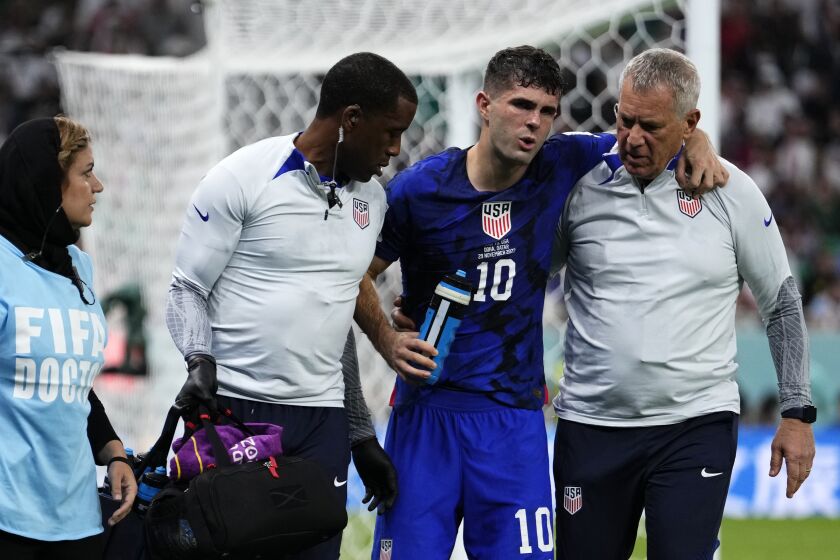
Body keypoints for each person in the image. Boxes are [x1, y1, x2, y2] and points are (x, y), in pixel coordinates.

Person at [353, 45, 725, 559]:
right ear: (484, 105)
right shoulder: (420, 191)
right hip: (426, 416)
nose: (535, 123)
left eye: (547, 111)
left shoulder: (563, 163)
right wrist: (387, 339)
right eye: (521, 106)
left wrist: (697, 138)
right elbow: (352, 276)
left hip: (513, 423)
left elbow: (647, 137)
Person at [552, 48, 816, 560]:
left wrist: (797, 413)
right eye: (624, 120)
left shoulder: (731, 192)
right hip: (591, 426)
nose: (631, 138)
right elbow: (528, 274)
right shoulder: (580, 186)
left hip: (695, 425)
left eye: (649, 126)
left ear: (690, 123)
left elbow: (781, 304)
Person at [165, 52, 418, 559]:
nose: (395, 149)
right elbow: (186, 288)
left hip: (321, 425)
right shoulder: (241, 178)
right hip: (238, 412)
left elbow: (335, 314)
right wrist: (199, 359)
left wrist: (359, 434)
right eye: (390, 132)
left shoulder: (374, 202)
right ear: (350, 120)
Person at [0, 116, 137, 558]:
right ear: (47, 183)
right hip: (9, 520)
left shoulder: (80, 266)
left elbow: (69, 384)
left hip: (77, 522)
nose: (97, 186)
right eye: (84, 172)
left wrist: (114, 452)